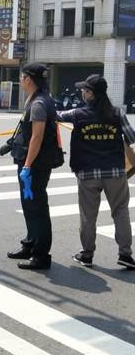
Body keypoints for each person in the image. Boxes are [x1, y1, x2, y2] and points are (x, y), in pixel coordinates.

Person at [58, 74, 135, 270]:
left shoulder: (78, 114)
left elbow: (56, 116)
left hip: (87, 172)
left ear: (90, 94)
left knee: (88, 215)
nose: (82, 92)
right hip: (115, 172)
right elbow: (131, 138)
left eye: (84, 90)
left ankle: (87, 254)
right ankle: (125, 254)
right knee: (120, 212)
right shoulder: (117, 113)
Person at [7, 62, 59, 270]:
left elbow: (37, 138)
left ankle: (41, 255)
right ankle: (30, 244)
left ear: (29, 79)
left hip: (35, 164)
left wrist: (27, 165)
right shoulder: (36, 99)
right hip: (30, 162)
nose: (20, 81)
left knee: (37, 208)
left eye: (21, 77)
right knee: (29, 206)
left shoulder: (39, 103)